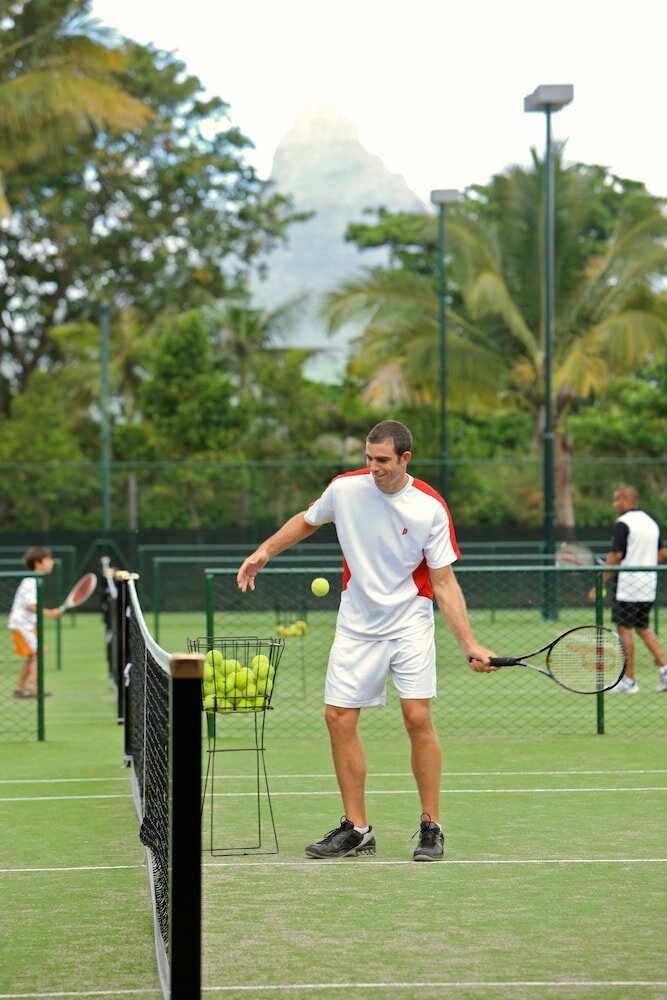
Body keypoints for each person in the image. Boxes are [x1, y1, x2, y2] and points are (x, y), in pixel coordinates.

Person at [237, 420, 496, 862]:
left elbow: (444, 582)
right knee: (337, 718)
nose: (374, 468)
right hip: (356, 625)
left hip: (410, 623)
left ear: (404, 459)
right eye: (369, 458)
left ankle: (431, 827)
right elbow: (307, 520)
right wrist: (265, 551)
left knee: (417, 717)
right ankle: (357, 830)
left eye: (383, 460)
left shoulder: (429, 507)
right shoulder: (345, 489)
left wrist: (469, 643)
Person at [588, 485, 667, 694]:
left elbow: (616, 555)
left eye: (617, 500)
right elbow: (662, 553)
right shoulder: (651, 523)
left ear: (627, 500)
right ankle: (665, 671)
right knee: (643, 627)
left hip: (627, 586)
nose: (614, 504)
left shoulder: (623, 523)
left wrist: (600, 582)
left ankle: (629, 682)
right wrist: (643, 562)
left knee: (624, 629)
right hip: (648, 585)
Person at [8, 546, 62, 698]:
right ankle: (33, 689)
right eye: (48, 559)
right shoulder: (30, 581)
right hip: (21, 625)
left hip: (27, 626)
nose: (52, 563)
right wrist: (51, 613)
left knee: (33, 655)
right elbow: (30, 606)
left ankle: (20, 688)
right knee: (39, 652)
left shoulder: (36, 580)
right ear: (38, 563)